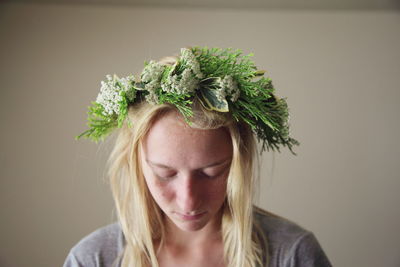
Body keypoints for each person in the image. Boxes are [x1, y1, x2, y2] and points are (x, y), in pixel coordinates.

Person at [64, 47, 331, 267]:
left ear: (240, 163)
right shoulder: (93, 259)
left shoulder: (292, 254)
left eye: (211, 172)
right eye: (164, 174)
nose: (188, 200)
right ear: (136, 163)